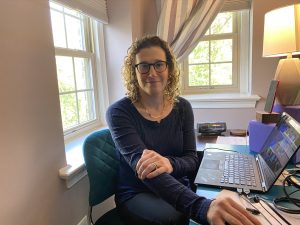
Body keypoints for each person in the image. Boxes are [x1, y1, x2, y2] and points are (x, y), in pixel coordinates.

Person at [106, 35, 261, 225]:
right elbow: (147, 171)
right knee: (178, 217)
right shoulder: (118, 113)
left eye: (159, 64)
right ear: (134, 71)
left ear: (169, 68)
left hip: (177, 186)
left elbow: (191, 159)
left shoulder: (183, 107)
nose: (152, 72)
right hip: (138, 192)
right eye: (143, 66)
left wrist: (170, 164)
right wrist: (200, 206)